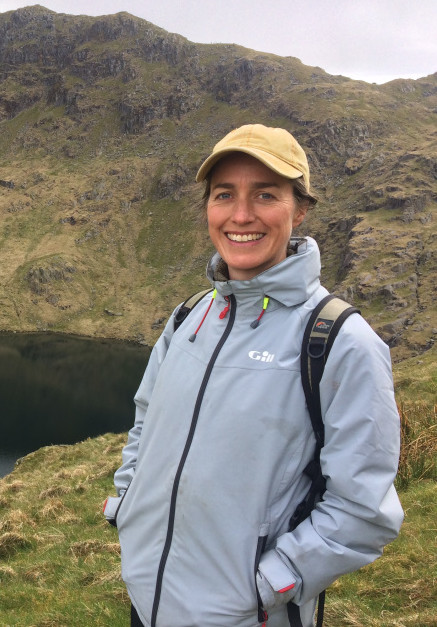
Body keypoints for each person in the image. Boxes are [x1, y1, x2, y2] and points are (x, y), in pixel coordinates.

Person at [103, 124, 403, 627]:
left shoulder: (340, 342)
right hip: (148, 600)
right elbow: (145, 422)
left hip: (250, 615)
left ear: (299, 209)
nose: (241, 216)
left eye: (265, 194)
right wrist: (126, 504)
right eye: (224, 195)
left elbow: (364, 509)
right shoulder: (189, 317)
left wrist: (268, 585)